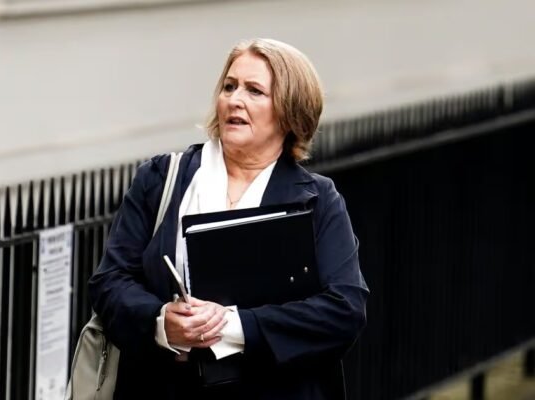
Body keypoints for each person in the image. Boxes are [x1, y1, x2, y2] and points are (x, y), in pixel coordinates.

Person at [88, 38, 369, 400]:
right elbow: (109, 282)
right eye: (229, 86)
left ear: (290, 111)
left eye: (255, 91)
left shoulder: (318, 201)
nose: (235, 99)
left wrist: (231, 325)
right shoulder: (161, 180)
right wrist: (162, 322)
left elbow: (344, 310)